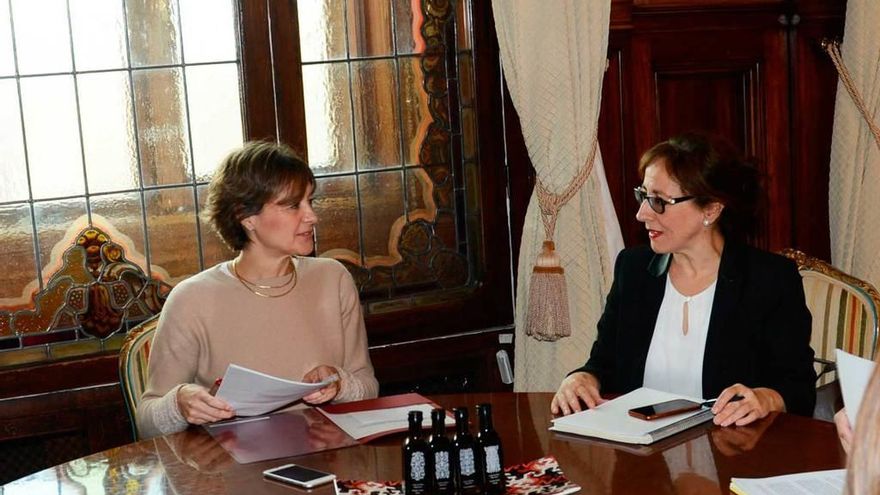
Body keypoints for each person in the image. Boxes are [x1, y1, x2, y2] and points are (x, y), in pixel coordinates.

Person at [551, 132, 816, 426]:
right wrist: (582, 378)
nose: (642, 214)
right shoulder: (634, 269)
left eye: (659, 201)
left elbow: (799, 389)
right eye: (643, 196)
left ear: (711, 209)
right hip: (641, 456)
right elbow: (604, 364)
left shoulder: (768, 279)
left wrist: (765, 398)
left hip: (732, 453)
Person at [137, 141, 379, 439]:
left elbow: (368, 386)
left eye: (310, 201)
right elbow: (147, 421)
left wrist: (340, 384)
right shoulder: (191, 299)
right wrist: (179, 403)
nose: (311, 216)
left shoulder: (333, 278)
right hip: (233, 474)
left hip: (327, 461)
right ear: (246, 216)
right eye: (293, 205)